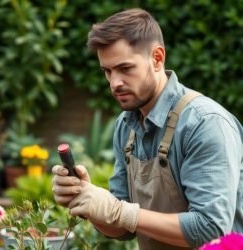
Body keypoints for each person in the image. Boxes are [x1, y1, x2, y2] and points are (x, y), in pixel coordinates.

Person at [52, 8, 243, 250]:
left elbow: (212, 229)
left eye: (125, 68)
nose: (114, 83)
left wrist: (120, 211)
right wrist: (89, 202)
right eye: (107, 71)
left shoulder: (204, 123)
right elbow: (122, 229)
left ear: (157, 58)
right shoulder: (126, 126)